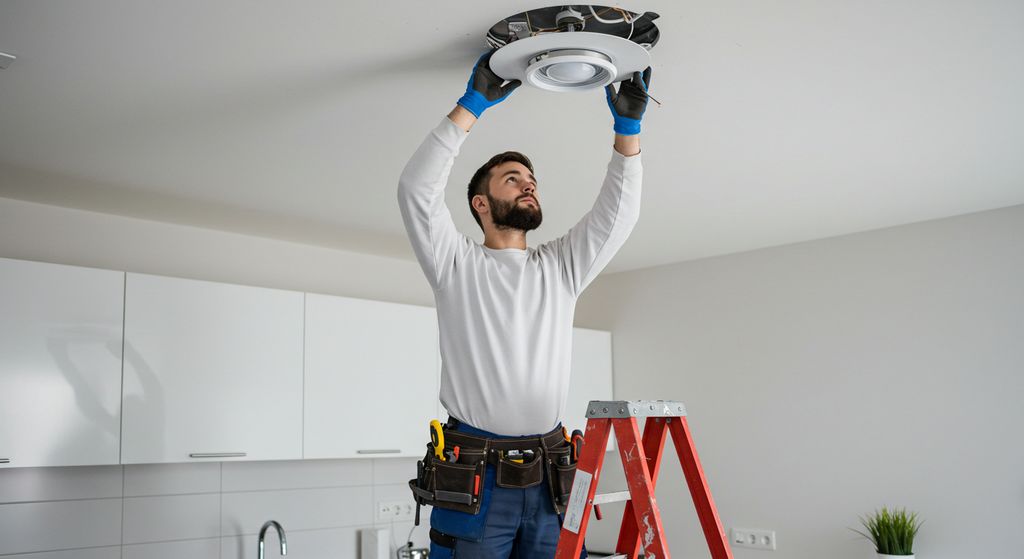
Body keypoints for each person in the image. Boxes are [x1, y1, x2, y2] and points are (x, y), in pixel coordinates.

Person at [399, 51, 651, 558]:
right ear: (481, 204)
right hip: (476, 477)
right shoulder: (455, 264)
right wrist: (472, 104)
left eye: (530, 179)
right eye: (511, 179)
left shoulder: (560, 267)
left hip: (551, 474)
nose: (527, 183)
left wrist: (627, 133)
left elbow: (616, 216)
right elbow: (417, 190)